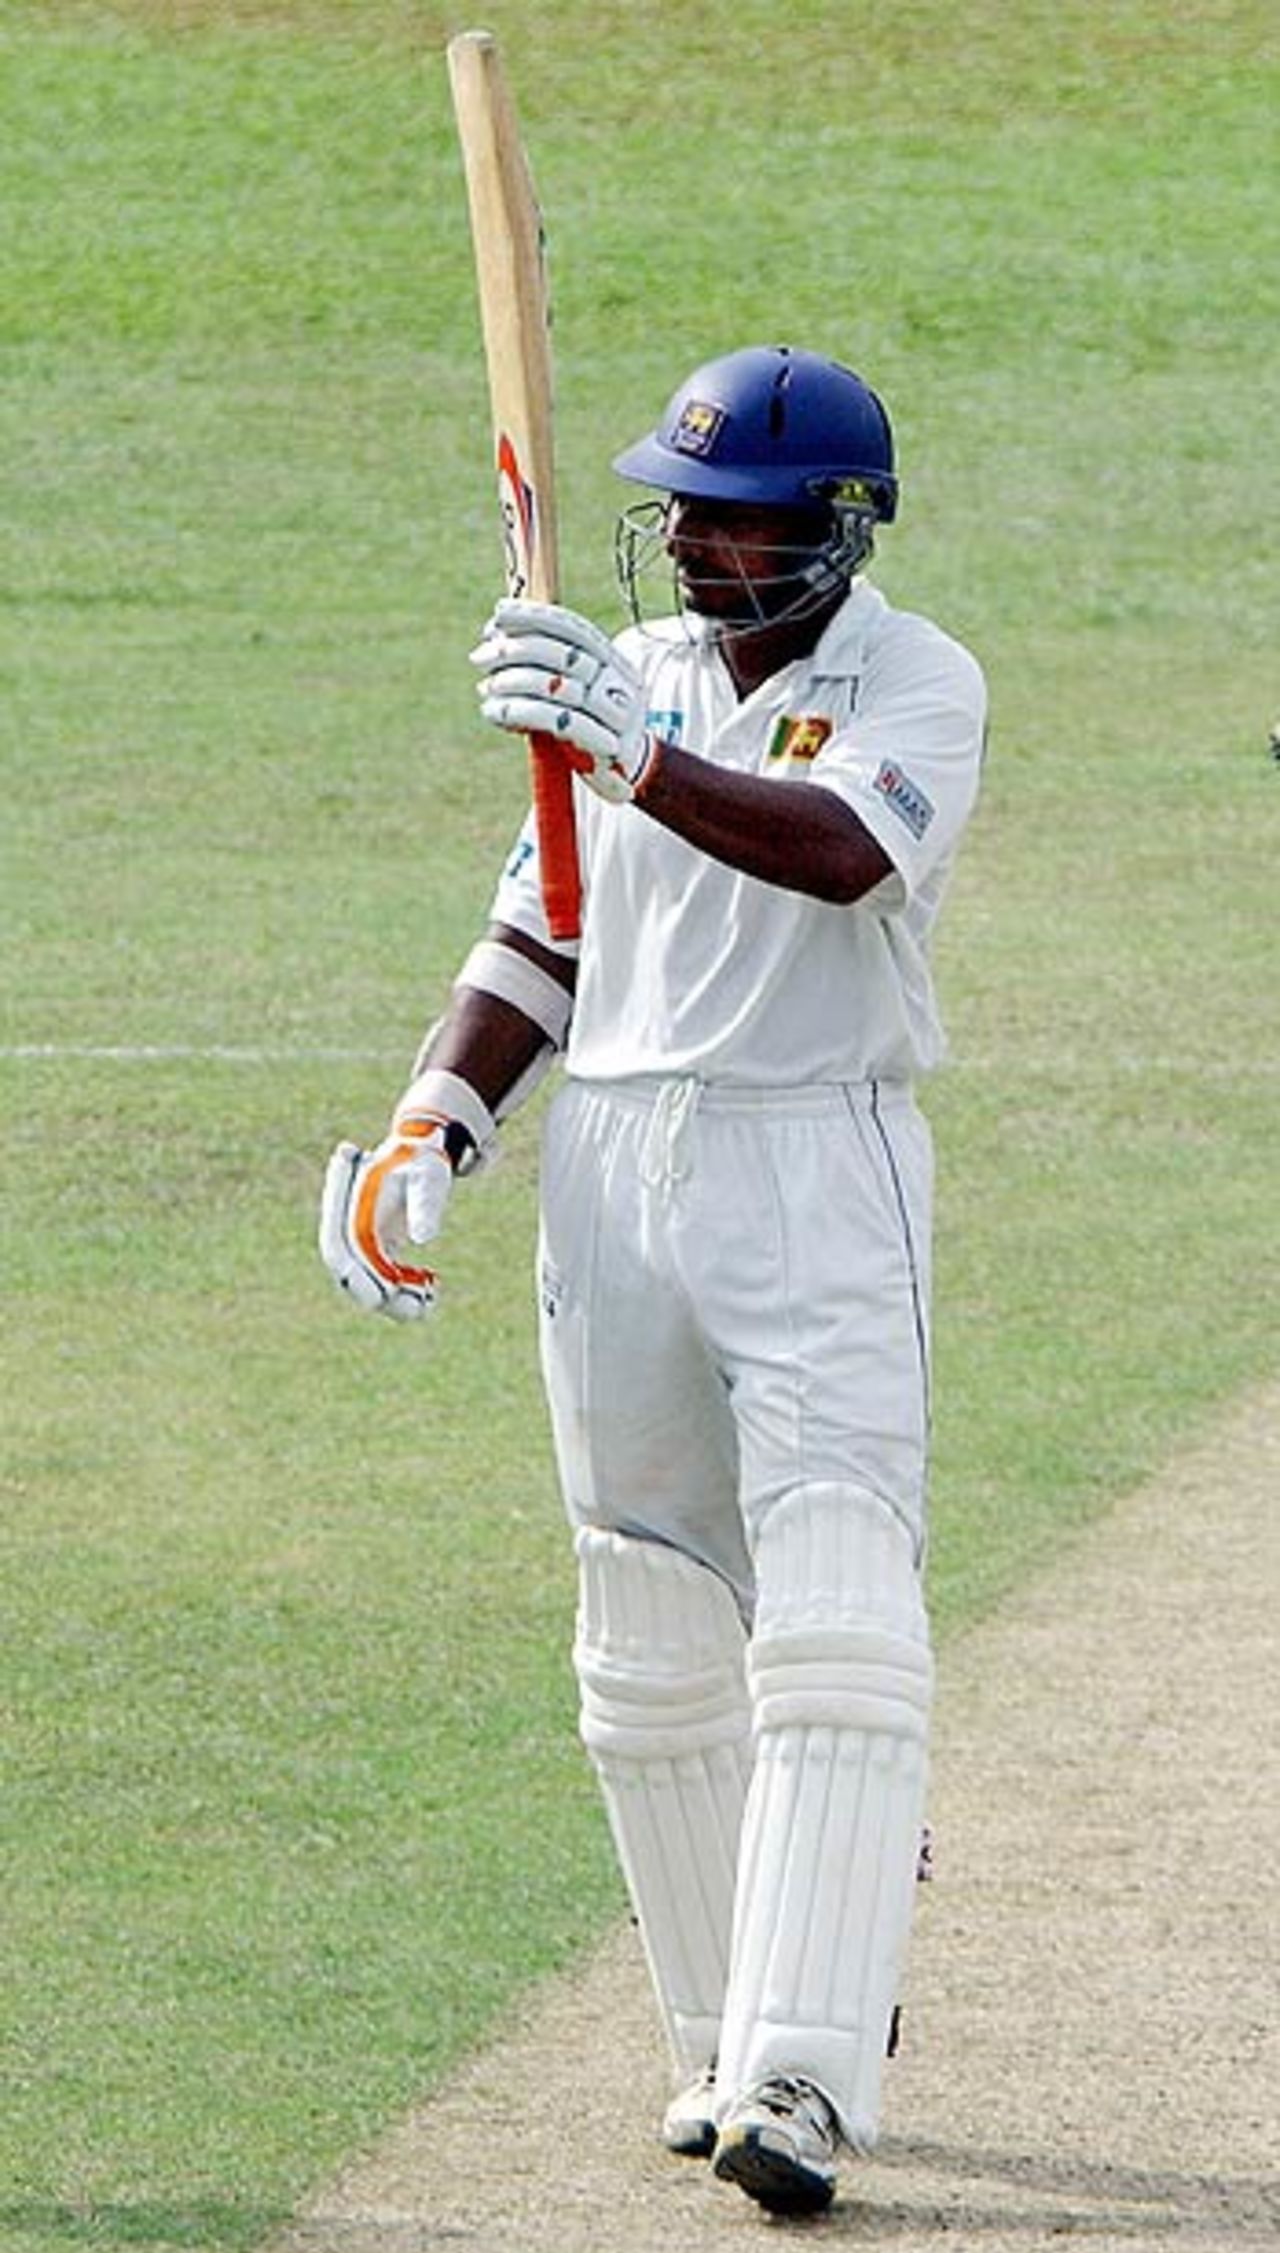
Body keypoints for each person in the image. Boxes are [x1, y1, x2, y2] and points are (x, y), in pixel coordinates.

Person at [319, 343, 987, 2217]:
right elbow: (544, 922)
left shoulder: (916, 681)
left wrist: (630, 747)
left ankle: (808, 2070)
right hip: (612, 1165)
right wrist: (432, 1129)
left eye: (736, 515)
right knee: (643, 1632)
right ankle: (717, 2040)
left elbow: (846, 854)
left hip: (814, 1158)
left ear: (836, 532)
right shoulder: (642, 678)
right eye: (678, 507)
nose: (690, 540)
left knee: (839, 1606)